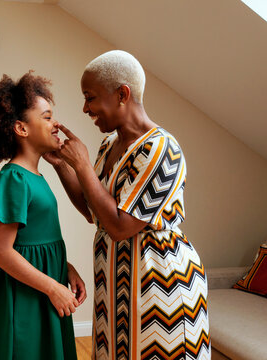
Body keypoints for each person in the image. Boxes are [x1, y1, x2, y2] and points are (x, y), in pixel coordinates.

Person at [44, 50, 210, 359]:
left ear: (122, 94)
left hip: (160, 291)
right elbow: (97, 213)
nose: (85, 108)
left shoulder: (161, 149)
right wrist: (62, 165)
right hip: (115, 292)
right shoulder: (109, 145)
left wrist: (81, 166)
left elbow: (121, 226)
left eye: (90, 98)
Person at [0, 72, 87, 360]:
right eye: (46, 117)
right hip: (20, 292)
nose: (55, 123)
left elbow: (31, 239)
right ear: (21, 128)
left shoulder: (35, 177)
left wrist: (64, 266)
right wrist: (52, 287)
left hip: (40, 284)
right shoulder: (14, 179)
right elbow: (0, 251)